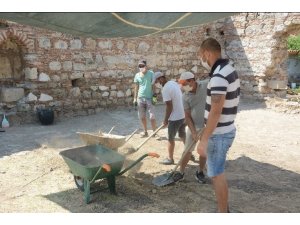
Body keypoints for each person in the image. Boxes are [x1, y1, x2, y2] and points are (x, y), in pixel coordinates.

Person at [196, 38, 240, 213]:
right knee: (217, 171)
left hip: (219, 134)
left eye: (201, 56)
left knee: (216, 174)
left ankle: (223, 214)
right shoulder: (228, 68)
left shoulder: (219, 76)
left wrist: (205, 139)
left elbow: (216, 111)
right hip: (224, 129)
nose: (202, 60)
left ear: (207, 53)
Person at [172, 71, 208, 184]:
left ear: (192, 80)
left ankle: (200, 172)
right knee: (187, 150)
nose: (183, 87)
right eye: (181, 84)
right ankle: (181, 172)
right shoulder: (185, 96)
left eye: (185, 84)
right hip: (194, 125)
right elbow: (187, 116)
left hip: (208, 126)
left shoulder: (206, 85)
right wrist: (193, 132)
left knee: (203, 151)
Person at [152, 71, 186, 165]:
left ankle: (170, 159)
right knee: (182, 134)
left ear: (161, 79)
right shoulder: (172, 83)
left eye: (156, 82)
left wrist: (166, 120)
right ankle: (189, 153)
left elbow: (169, 106)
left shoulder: (165, 89)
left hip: (175, 117)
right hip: (182, 114)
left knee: (170, 138)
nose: (156, 84)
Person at [133, 60, 157, 138]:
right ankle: (145, 132)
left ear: (146, 66)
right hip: (140, 98)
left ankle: (155, 133)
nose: (141, 67)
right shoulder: (137, 75)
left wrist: (154, 96)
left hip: (149, 98)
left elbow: (153, 85)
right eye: (139, 66)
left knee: (152, 117)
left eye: (142, 66)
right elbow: (136, 87)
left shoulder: (151, 73)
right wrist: (135, 98)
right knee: (142, 117)